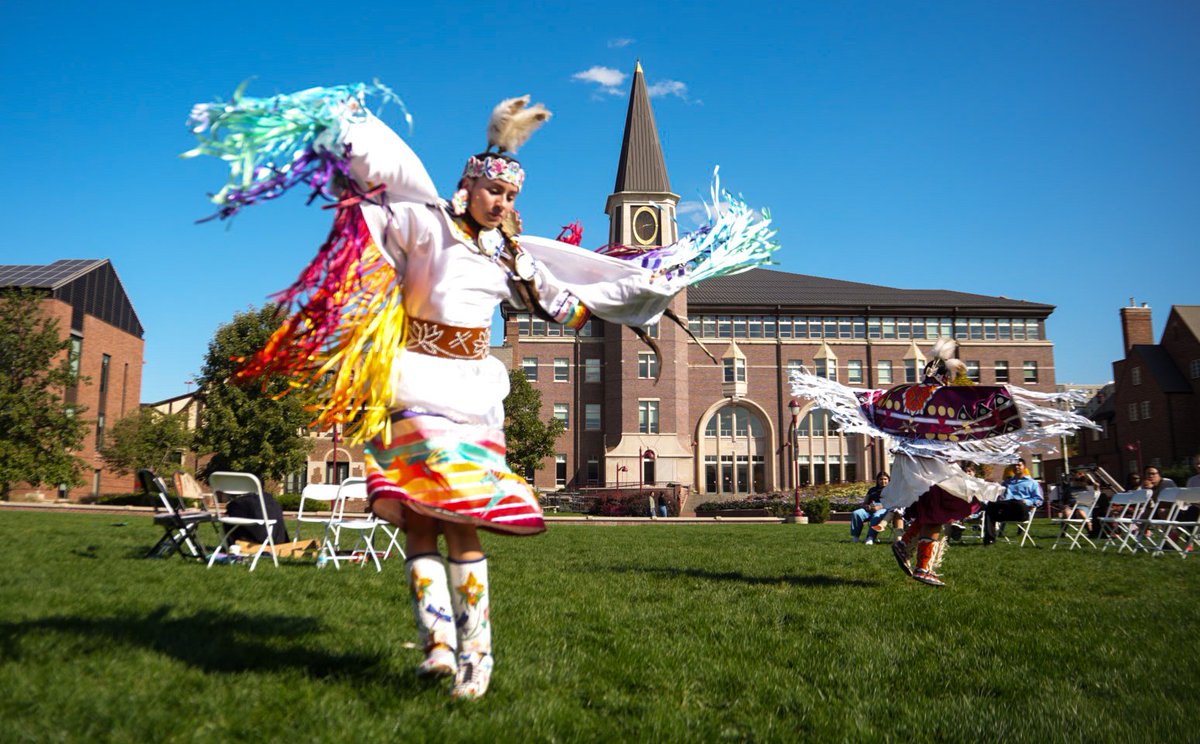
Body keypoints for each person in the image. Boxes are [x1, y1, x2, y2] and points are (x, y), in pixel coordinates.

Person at [186, 82, 778, 699]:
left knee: (460, 525)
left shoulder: (508, 254)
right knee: (418, 525)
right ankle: (438, 645)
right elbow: (370, 208)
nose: (502, 203)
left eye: (512, 196)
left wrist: (637, 306)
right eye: (494, 191)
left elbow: (568, 312)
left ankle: (478, 654)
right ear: (467, 186)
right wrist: (347, 169)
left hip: (468, 398)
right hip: (413, 385)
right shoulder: (424, 222)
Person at [791, 337, 1095, 586]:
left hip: (916, 467)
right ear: (943, 375)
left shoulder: (904, 394)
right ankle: (923, 567)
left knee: (937, 510)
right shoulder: (946, 399)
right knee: (940, 510)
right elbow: (979, 411)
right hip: (930, 468)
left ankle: (905, 542)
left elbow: (872, 401)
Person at [982, 459, 1042, 545]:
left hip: (1021, 511)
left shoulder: (1032, 483)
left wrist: (1026, 501)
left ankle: (1016, 502)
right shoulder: (1007, 483)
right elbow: (999, 496)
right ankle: (989, 540)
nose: (1016, 467)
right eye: (1014, 465)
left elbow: (1039, 500)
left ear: (1024, 467)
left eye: (1019, 465)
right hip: (1007, 510)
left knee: (1017, 502)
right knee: (990, 506)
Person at [850, 471, 890, 544]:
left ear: (888, 480)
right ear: (877, 480)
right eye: (881, 479)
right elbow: (865, 502)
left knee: (876, 515)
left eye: (885, 479)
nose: (883, 481)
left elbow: (893, 503)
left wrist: (879, 507)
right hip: (869, 509)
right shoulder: (872, 490)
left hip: (884, 509)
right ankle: (855, 537)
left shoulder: (892, 490)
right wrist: (866, 506)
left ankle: (870, 537)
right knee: (856, 513)